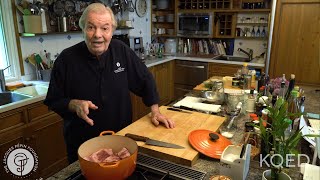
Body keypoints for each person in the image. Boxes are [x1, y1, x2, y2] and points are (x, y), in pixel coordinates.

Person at [44, 3, 175, 164]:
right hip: (84, 146)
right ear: (83, 29)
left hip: (120, 141)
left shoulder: (121, 50)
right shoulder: (66, 60)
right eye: (91, 27)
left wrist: (155, 111)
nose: (97, 35)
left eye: (105, 28)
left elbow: (144, 79)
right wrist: (73, 104)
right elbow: (53, 100)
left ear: (112, 31)